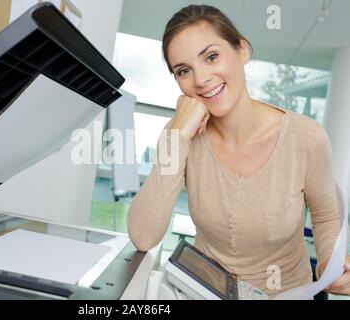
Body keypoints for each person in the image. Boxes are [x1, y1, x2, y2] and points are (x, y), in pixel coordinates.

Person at [127, 4, 350, 298]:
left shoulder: (305, 138)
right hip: (204, 292)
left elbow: (324, 215)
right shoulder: (179, 133)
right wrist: (179, 136)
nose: (201, 79)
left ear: (242, 51)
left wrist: (327, 264)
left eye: (211, 56)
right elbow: (143, 237)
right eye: (184, 70)